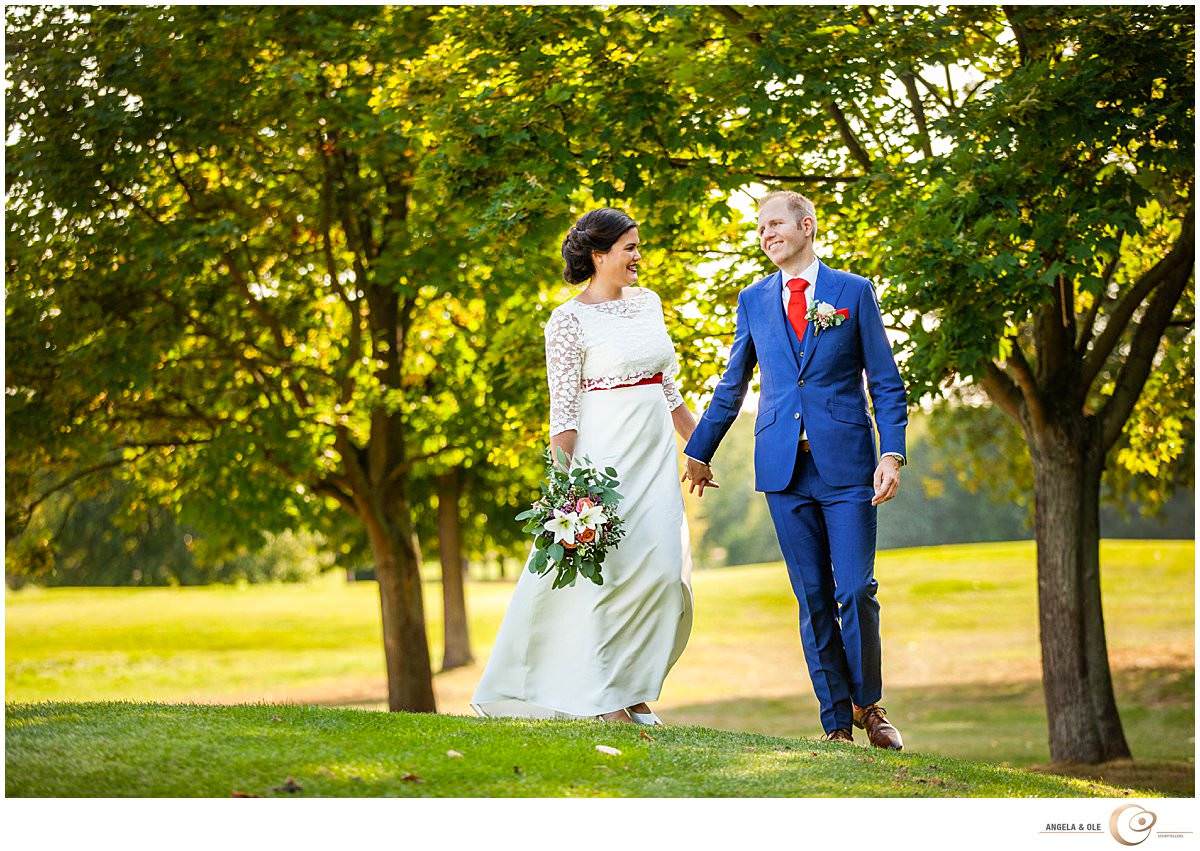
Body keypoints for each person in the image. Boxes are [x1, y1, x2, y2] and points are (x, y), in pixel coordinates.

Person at [682, 191, 908, 749]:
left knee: (855, 590)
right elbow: (732, 384)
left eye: (775, 223)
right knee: (811, 597)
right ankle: (836, 725)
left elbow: (884, 380)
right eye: (760, 227)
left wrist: (892, 452)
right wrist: (700, 449)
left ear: (806, 226)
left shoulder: (852, 292)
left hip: (848, 466)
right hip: (783, 470)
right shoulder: (753, 300)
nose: (766, 234)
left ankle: (869, 705)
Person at [471, 208, 697, 725]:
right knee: (606, 580)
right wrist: (563, 488)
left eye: (639, 246)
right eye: (630, 248)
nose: (639, 256)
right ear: (599, 255)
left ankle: (636, 685)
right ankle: (606, 696)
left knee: (663, 577)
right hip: (604, 465)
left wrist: (700, 445)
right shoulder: (567, 321)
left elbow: (669, 388)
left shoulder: (650, 304)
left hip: (655, 461)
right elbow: (564, 410)